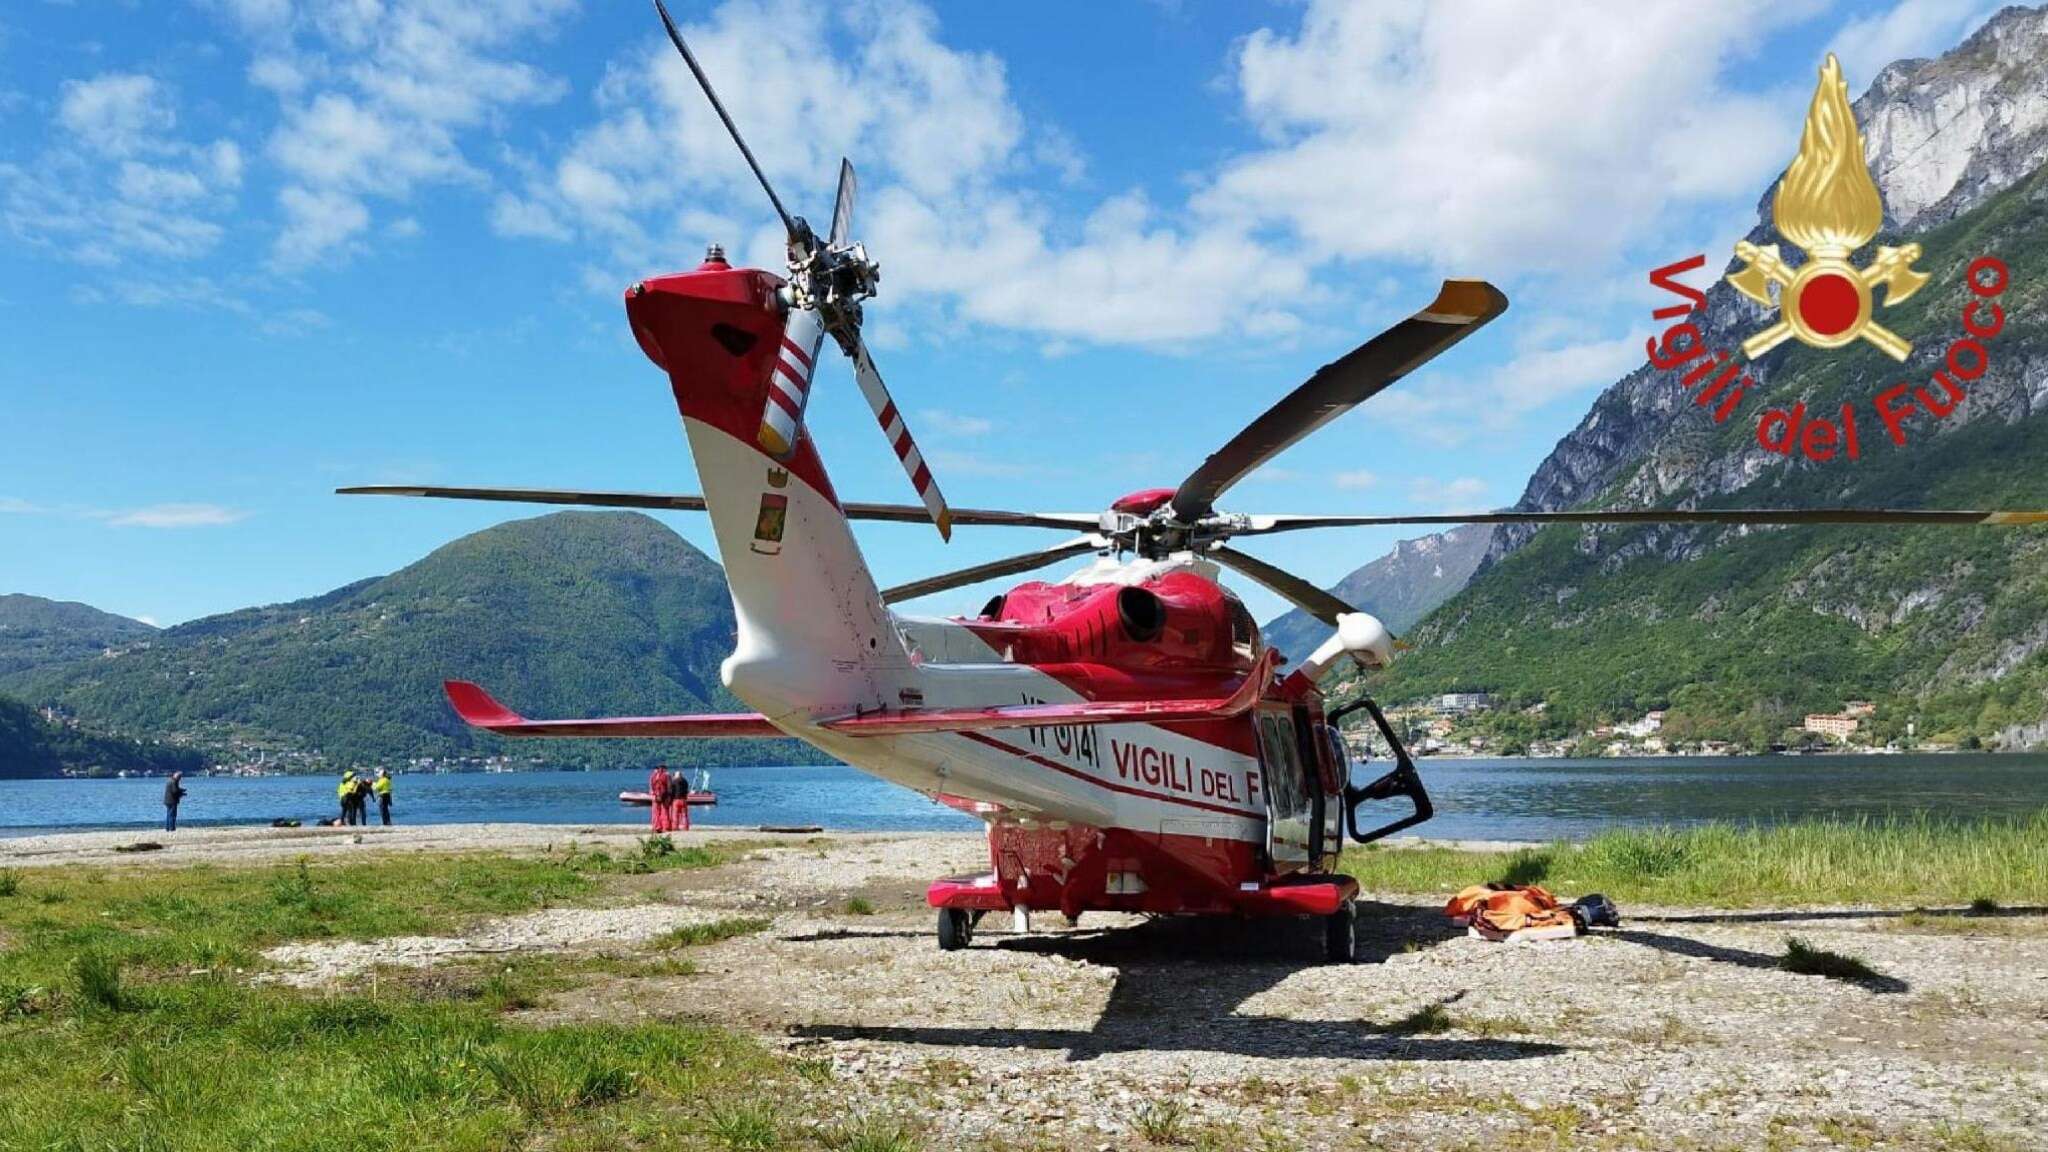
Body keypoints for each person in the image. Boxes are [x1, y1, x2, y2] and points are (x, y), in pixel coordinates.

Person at [648, 764, 672, 833]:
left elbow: (651, 786)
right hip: (664, 796)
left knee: (656, 813)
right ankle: (665, 827)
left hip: (656, 796)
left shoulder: (653, 776)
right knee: (665, 812)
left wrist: (654, 793)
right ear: (664, 769)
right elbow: (669, 788)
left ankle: (656, 826)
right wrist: (669, 796)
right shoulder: (666, 776)